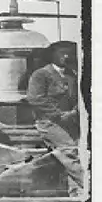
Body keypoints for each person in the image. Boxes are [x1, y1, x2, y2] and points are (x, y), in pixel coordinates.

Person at [25, 40, 85, 191]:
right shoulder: (40, 75)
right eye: (62, 53)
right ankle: (91, 187)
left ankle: (77, 194)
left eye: (70, 54)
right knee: (69, 152)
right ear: (53, 56)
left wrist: (75, 112)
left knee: (82, 154)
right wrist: (58, 115)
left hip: (71, 122)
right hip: (49, 123)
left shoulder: (72, 75)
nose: (66, 56)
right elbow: (35, 98)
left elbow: (81, 97)